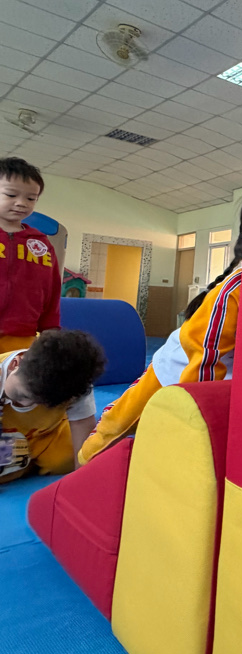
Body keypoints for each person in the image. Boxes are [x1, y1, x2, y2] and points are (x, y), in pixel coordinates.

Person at [78, 191, 242, 464]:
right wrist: (197, 420)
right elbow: (204, 359)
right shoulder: (236, 290)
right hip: (175, 368)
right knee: (117, 425)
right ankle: (83, 461)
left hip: (230, 373)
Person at [1, 329, 105, 482]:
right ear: (15, 363)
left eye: (38, 402)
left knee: (77, 458)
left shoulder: (74, 388)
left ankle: (28, 462)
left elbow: (83, 434)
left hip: (47, 434)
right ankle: (24, 464)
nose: (26, 404)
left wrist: (83, 479)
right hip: (6, 432)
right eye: (24, 395)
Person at [0, 157, 62, 353]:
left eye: (31, 198)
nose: (21, 203)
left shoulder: (41, 244)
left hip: (21, 339)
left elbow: (52, 290)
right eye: (11, 194)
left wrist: (50, 332)